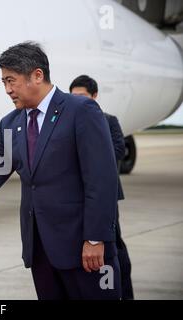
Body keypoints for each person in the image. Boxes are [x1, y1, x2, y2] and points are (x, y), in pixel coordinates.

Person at [0, 42, 121, 299]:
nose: (8, 90)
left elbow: (102, 180)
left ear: (37, 75)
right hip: (40, 248)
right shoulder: (10, 123)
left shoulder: (81, 110)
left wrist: (95, 238)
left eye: (11, 81)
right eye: (3, 83)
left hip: (84, 248)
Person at [70, 74, 134, 300]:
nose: (77, 100)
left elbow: (118, 151)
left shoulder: (108, 120)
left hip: (106, 195)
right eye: (73, 96)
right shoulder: (69, 121)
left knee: (113, 244)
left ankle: (123, 293)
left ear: (94, 96)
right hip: (79, 195)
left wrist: (91, 159)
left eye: (82, 96)